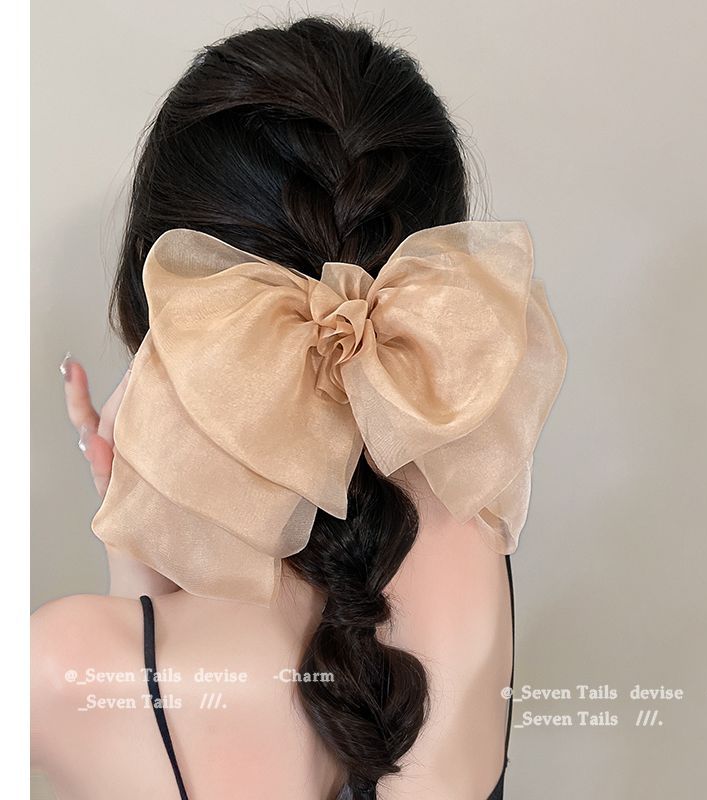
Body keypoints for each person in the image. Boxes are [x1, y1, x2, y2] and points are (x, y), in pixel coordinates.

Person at [31, 16, 566, 800]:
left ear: (172, 306)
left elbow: (144, 716)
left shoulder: (59, 670)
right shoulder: (478, 530)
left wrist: (135, 554)